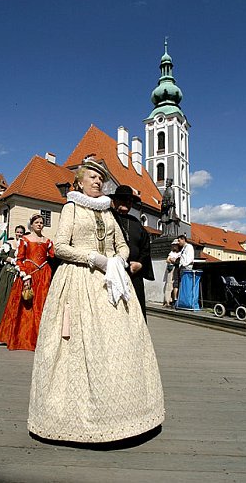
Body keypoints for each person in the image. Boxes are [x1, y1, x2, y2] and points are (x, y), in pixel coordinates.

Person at [28, 159, 164, 444]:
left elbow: (122, 245)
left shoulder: (107, 211)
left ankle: (128, 416)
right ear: (79, 182)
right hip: (79, 280)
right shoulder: (72, 208)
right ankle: (73, 420)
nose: (98, 181)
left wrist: (119, 258)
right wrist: (92, 257)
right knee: (78, 347)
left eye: (101, 178)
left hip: (112, 281)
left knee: (122, 343)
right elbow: (61, 247)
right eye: (92, 177)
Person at [0, 215, 54, 351]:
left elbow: (53, 257)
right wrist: (24, 275)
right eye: (37, 222)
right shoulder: (25, 240)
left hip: (44, 275)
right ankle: (21, 337)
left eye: (41, 222)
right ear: (32, 225)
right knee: (25, 306)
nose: (39, 224)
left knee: (41, 305)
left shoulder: (48, 241)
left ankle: (40, 338)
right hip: (29, 274)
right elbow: (19, 259)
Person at [110, 185, 154, 321]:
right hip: (112, 273)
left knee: (137, 314)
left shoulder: (135, 223)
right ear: (115, 200)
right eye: (123, 199)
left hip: (134, 275)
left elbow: (146, 247)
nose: (127, 203)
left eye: (129, 201)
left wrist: (140, 264)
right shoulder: (108, 217)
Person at [0, 225, 26, 326]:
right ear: (15, 232)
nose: (19, 234)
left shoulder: (25, 244)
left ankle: (13, 320)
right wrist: (12, 260)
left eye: (21, 232)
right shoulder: (10, 243)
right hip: (9, 272)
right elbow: (2, 255)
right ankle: (1, 318)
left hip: (20, 272)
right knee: (4, 294)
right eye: (17, 232)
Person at [163, 239, 181, 307]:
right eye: (173, 245)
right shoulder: (171, 252)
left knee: (175, 284)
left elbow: (176, 261)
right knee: (169, 284)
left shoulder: (180, 253)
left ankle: (173, 300)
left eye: (175, 245)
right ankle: (167, 301)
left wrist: (172, 260)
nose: (174, 247)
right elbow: (167, 260)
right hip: (171, 269)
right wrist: (172, 260)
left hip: (176, 269)